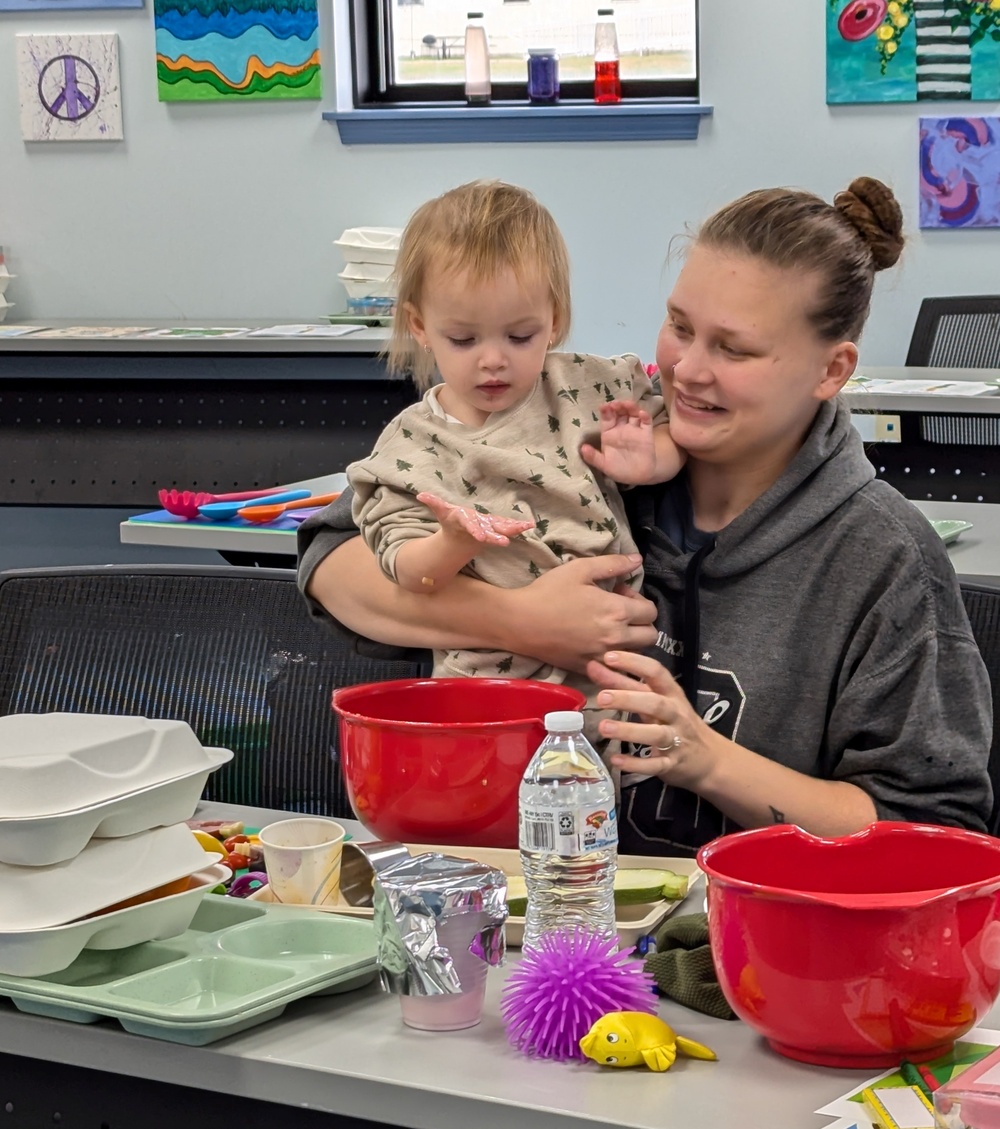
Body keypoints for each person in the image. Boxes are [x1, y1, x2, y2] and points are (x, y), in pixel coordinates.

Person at [299, 175, 993, 855]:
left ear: (831, 370)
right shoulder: (585, 446)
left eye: (734, 348)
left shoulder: (883, 557)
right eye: (679, 327)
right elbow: (330, 560)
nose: (686, 370)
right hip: (547, 912)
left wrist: (708, 760)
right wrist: (520, 619)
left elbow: (934, 834)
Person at [345, 180, 684, 706]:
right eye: (464, 339)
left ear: (556, 319)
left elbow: (670, 427)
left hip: (617, 678)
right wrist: (454, 542)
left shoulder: (586, 388)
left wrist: (652, 457)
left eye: (520, 335)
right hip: (487, 693)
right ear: (420, 326)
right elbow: (406, 570)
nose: (493, 360)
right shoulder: (412, 446)